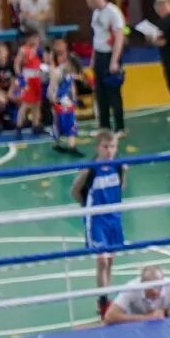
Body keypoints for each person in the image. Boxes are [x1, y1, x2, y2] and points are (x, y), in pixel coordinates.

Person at [72, 131, 126, 319]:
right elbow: (75, 192)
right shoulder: (89, 169)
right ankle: (103, 302)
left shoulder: (119, 166)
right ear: (97, 148)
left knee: (110, 260)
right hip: (96, 220)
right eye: (105, 146)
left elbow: (121, 188)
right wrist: (88, 208)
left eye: (112, 147)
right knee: (102, 259)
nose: (109, 150)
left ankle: (105, 298)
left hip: (114, 218)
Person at [103, 264, 170, 325]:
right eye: (151, 290)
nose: (156, 292)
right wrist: (146, 318)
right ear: (142, 284)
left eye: (158, 287)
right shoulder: (132, 288)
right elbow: (109, 317)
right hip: (134, 326)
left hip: (162, 325)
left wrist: (165, 312)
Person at [87, 0, 127, 133]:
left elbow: (119, 37)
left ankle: (120, 127)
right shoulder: (95, 13)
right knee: (100, 93)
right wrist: (93, 58)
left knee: (113, 92)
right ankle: (104, 126)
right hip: (99, 55)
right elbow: (96, 37)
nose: (89, 5)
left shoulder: (113, 12)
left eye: (90, 2)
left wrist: (114, 61)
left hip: (110, 55)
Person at [49, 49, 83, 155]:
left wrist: (74, 99)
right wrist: (54, 101)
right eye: (73, 68)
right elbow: (51, 89)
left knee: (71, 123)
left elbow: (71, 86)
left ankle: (71, 146)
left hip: (67, 102)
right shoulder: (58, 72)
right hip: (58, 102)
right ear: (68, 63)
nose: (73, 70)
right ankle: (56, 144)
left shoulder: (70, 73)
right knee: (57, 124)